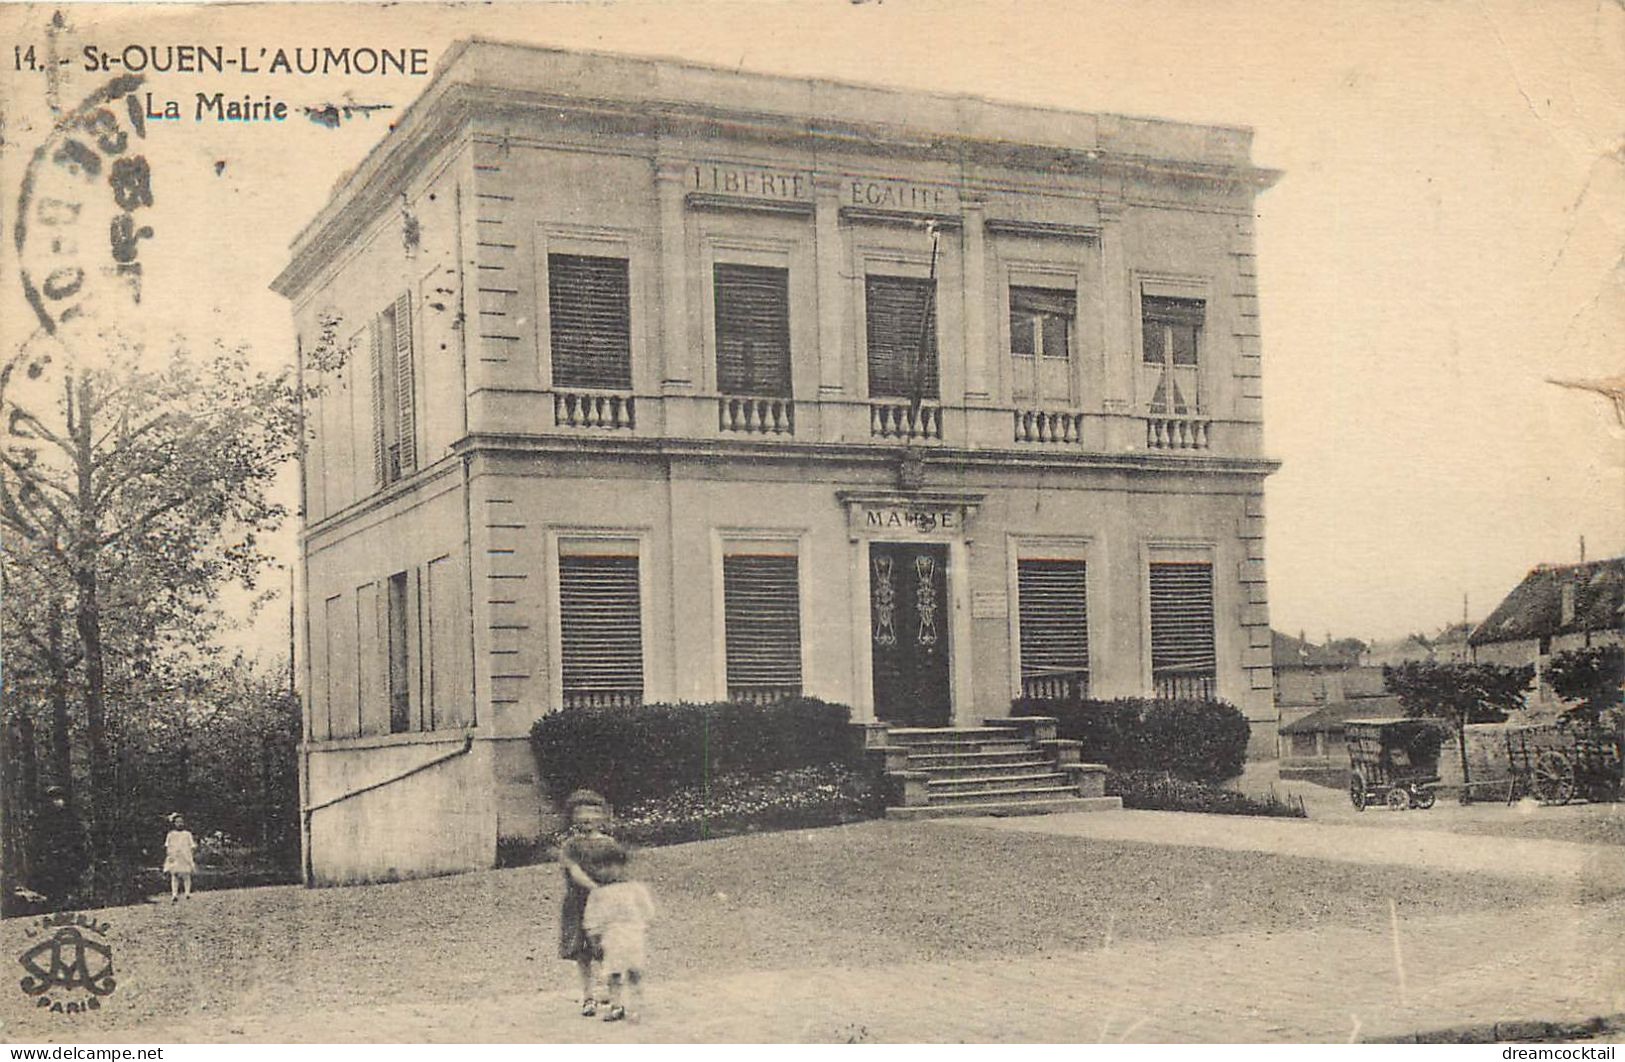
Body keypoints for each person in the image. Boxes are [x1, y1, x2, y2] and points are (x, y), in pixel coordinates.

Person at [557, 790, 622, 1016]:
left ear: (602, 816)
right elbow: (574, 871)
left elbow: (616, 870)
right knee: (582, 953)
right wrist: (595, 887)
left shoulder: (609, 844)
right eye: (580, 812)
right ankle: (588, 997)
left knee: (608, 951)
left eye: (593, 812)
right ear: (572, 817)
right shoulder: (570, 846)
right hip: (579, 904)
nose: (586, 817)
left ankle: (616, 1001)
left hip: (606, 904)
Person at [581, 845, 655, 1023]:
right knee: (613, 972)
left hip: (632, 935)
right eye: (601, 867)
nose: (606, 871)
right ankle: (616, 1005)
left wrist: (642, 925)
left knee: (634, 971)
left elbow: (647, 910)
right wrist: (594, 938)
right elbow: (591, 918)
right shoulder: (598, 893)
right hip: (611, 937)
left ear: (622, 866)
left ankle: (636, 1005)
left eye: (611, 865)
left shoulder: (634, 888)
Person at [163, 813, 197, 902]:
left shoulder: (187, 834)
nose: (179, 824)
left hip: (185, 855)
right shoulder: (171, 834)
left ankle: (187, 893)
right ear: (174, 823)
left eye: (181, 822)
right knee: (175, 875)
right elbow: (167, 846)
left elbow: (192, 846)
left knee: (186, 875)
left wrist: (191, 856)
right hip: (175, 856)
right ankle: (174, 894)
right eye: (177, 822)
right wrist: (169, 855)